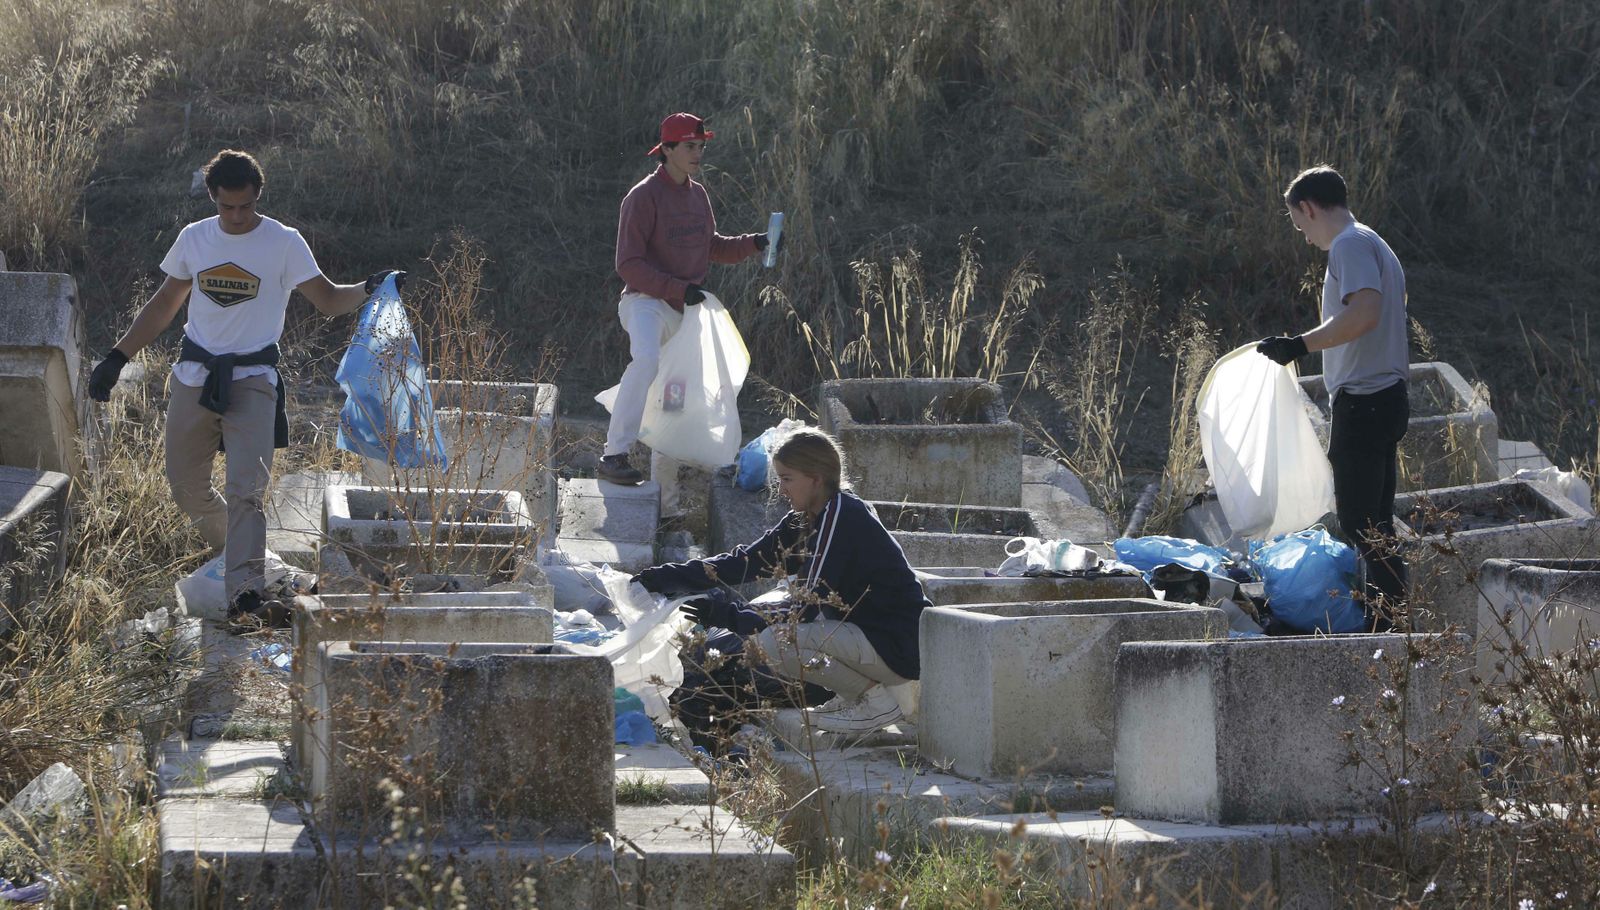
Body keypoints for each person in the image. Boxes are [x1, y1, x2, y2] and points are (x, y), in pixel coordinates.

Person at [86, 149, 402, 630]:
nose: (236, 217)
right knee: (186, 487)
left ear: (258, 196)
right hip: (195, 375)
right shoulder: (195, 239)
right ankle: (257, 558)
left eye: (246, 206)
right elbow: (164, 303)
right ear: (212, 197)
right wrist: (117, 357)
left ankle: (246, 596)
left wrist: (369, 287)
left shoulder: (283, 242)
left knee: (246, 492)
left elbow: (328, 299)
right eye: (226, 207)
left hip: (254, 380)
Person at [634, 428, 929, 736]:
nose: (782, 490)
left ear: (815, 478)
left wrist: (730, 616)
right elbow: (745, 562)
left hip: (897, 647)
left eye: (787, 479)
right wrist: (669, 576)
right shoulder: (808, 518)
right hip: (868, 641)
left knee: (774, 643)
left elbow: (806, 606)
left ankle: (875, 703)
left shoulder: (843, 518)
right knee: (771, 639)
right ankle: (856, 697)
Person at [599, 112, 773, 518]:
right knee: (645, 360)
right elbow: (628, 264)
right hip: (644, 303)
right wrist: (677, 288)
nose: (698, 154)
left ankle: (666, 511)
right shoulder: (641, 197)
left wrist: (754, 243)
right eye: (690, 147)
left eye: (701, 146)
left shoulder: (698, 196)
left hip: (685, 311)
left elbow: (712, 245)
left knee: (672, 405)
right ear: (668, 150)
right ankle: (613, 456)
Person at [1257, 165, 1409, 627]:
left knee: (1363, 524)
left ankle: (1391, 631)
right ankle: (1392, 625)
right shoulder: (1373, 242)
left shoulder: (1349, 246)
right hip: (1385, 398)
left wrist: (1298, 345)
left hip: (1365, 403)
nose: (1302, 234)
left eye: (1299, 223)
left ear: (1308, 207)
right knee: (1377, 526)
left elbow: (1364, 314)